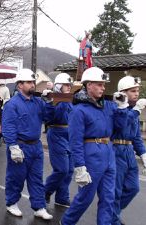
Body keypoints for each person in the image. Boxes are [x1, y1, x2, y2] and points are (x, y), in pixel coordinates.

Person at [60, 67, 125, 225]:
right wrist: (80, 167)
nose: (103, 87)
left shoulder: (108, 106)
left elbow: (120, 127)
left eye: (103, 84)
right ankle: (66, 222)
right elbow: (75, 141)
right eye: (99, 84)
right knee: (85, 198)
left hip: (108, 152)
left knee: (108, 197)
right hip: (91, 153)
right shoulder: (79, 110)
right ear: (88, 85)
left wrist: (122, 108)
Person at [2, 68, 54, 220]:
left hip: (36, 146)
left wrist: (49, 102)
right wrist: (12, 146)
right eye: (29, 82)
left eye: (33, 82)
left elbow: (48, 118)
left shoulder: (38, 102)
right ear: (20, 85)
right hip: (20, 145)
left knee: (37, 178)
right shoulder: (12, 104)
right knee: (16, 177)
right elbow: (9, 125)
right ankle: (11, 203)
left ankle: (39, 207)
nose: (33, 85)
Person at [111, 76, 146, 225]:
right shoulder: (117, 108)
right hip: (116, 149)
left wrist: (144, 154)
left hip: (129, 150)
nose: (136, 94)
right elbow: (121, 125)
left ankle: (113, 213)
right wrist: (137, 111)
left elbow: (136, 136)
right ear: (123, 93)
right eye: (133, 91)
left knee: (133, 187)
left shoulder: (133, 111)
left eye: (137, 90)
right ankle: (113, 219)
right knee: (116, 190)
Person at [44, 73, 74, 208]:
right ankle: (45, 191)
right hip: (57, 133)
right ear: (59, 86)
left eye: (69, 85)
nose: (68, 87)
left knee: (70, 170)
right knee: (62, 169)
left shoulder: (68, 100)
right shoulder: (53, 99)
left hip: (70, 134)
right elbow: (49, 117)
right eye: (66, 85)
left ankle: (62, 197)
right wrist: (51, 101)